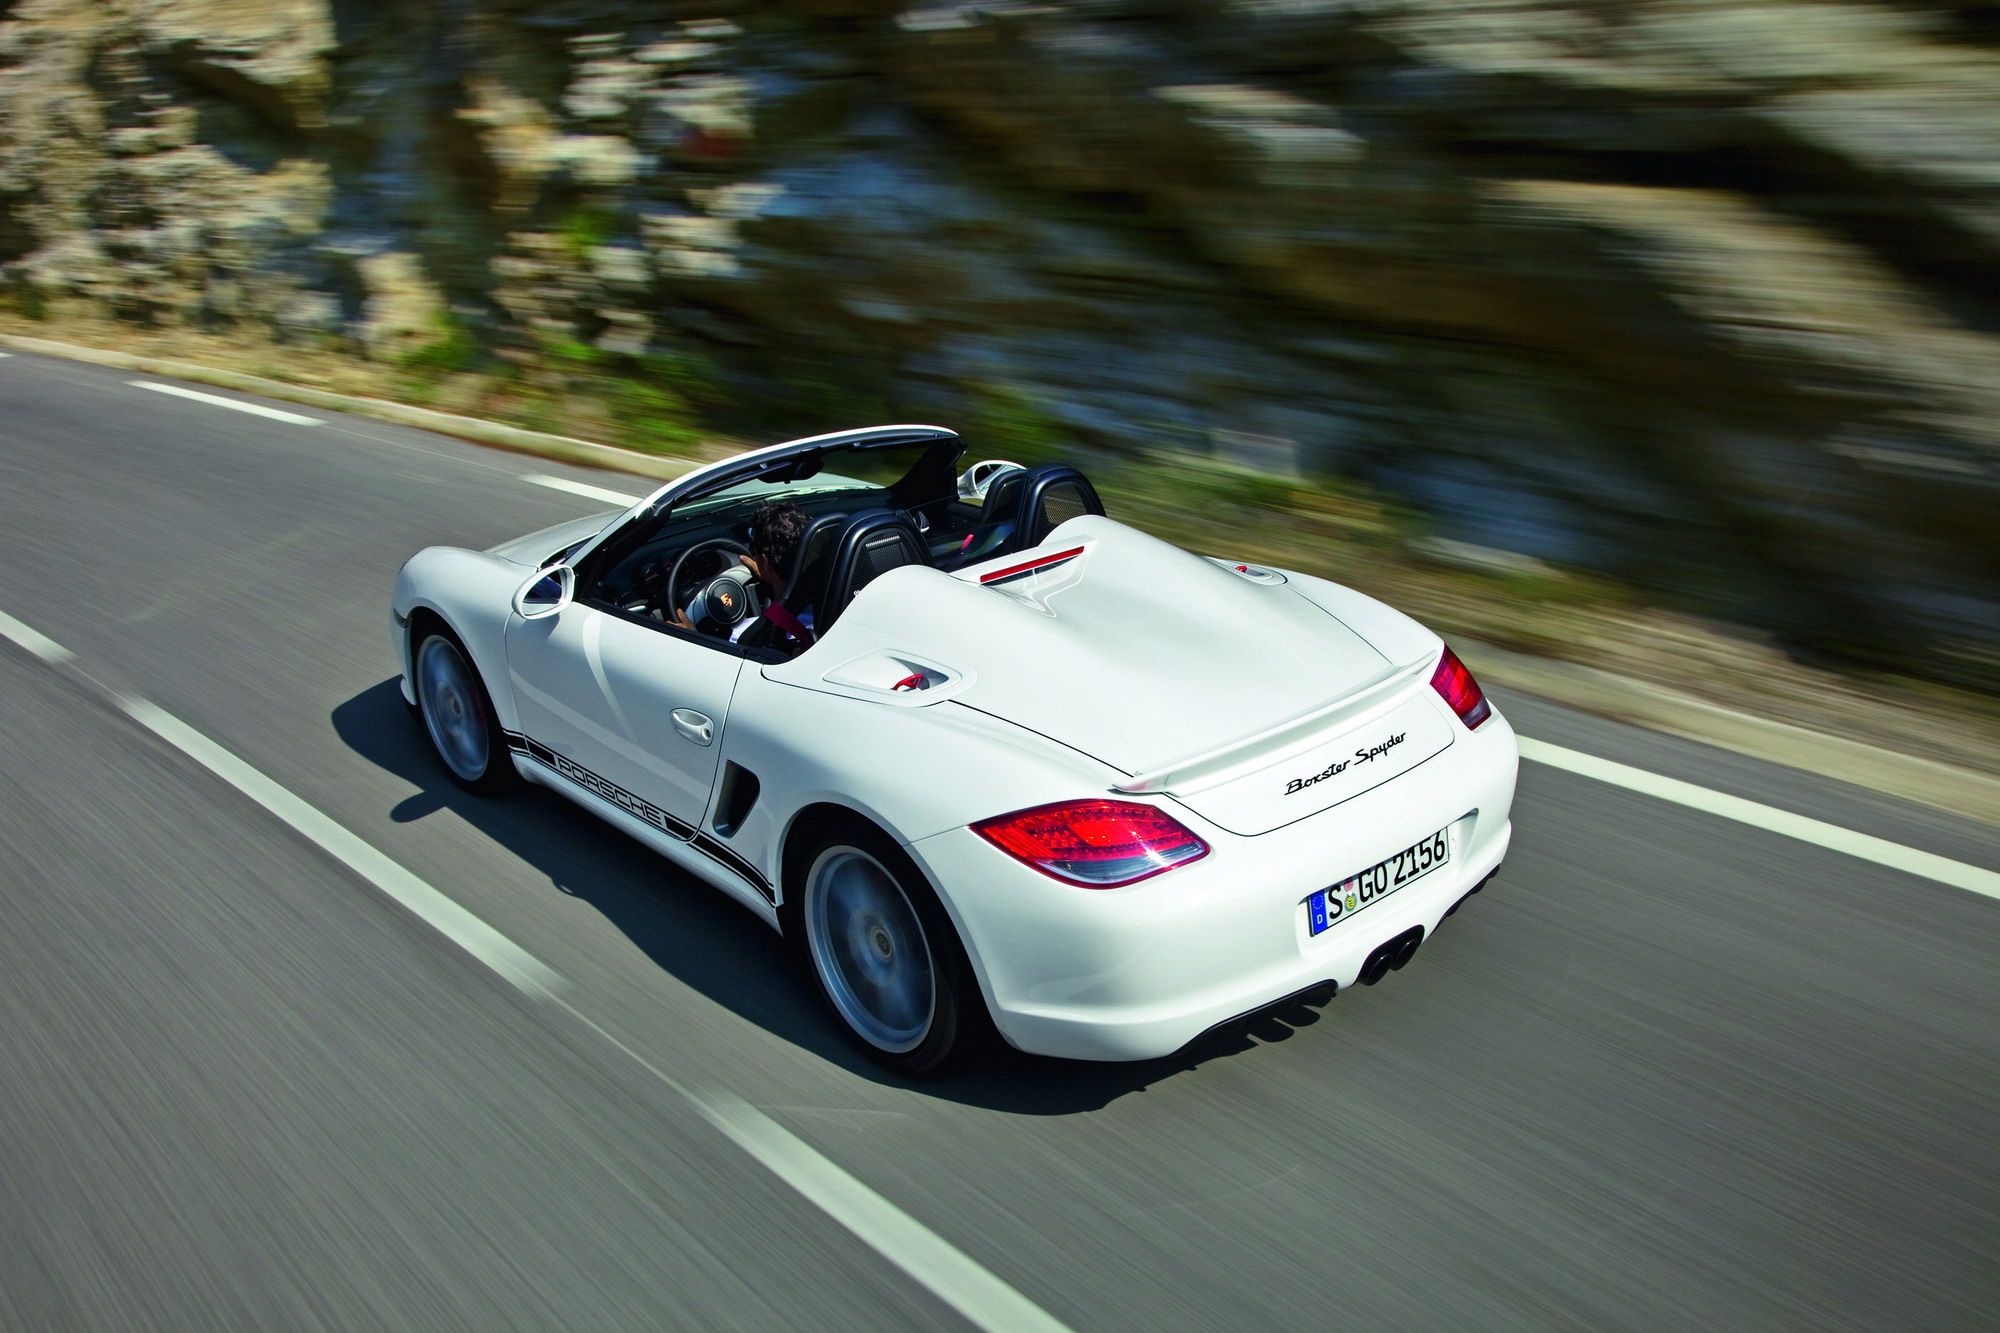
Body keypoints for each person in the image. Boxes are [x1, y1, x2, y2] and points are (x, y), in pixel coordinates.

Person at [673, 500, 815, 654]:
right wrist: (769, 576)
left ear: (764, 561)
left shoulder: (747, 636)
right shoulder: (836, 598)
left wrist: (693, 638)